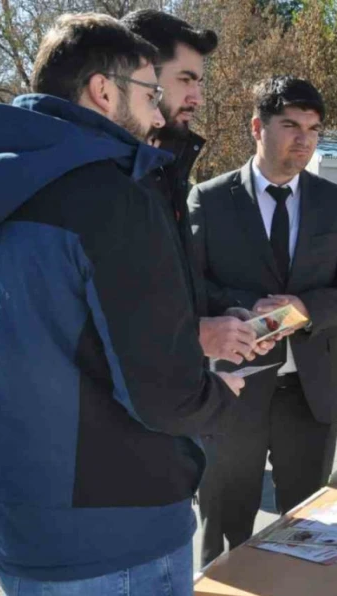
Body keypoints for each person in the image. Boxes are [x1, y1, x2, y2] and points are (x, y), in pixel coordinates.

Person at [0, 13, 252, 596]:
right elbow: (162, 390)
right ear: (104, 91)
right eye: (149, 94)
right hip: (117, 532)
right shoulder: (109, 199)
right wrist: (217, 397)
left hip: (16, 522)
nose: (159, 117)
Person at [189, 76, 337, 567]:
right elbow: (190, 285)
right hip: (235, 390)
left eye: (313, 128)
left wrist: (305, 309)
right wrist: (242, 309)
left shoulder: (334, 203)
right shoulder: (209, 199)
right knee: (226, 531)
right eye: (290, 125)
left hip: (309, 395)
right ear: (257, 127)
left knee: (312, 531)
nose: (304, 139)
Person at [121, 9, 261, 365]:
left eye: (199, 82)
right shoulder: (105, 178)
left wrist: (224, 315)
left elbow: (165, 287)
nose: (198, 97)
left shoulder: (165, 170)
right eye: (186, 79)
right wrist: (196, 336)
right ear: (140, 72)